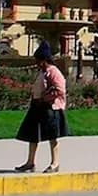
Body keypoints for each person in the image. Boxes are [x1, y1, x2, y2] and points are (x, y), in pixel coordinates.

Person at [15, 42, 68, 173]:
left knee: (52, 136)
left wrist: (45, 98)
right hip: (38, 106)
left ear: (45, 60)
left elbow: (60, 90)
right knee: (33, 135)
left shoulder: (53, 72)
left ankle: (55, 163)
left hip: (50, 108)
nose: (37, 63)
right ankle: (30, 162)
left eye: (39, 60)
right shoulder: (42, 72)